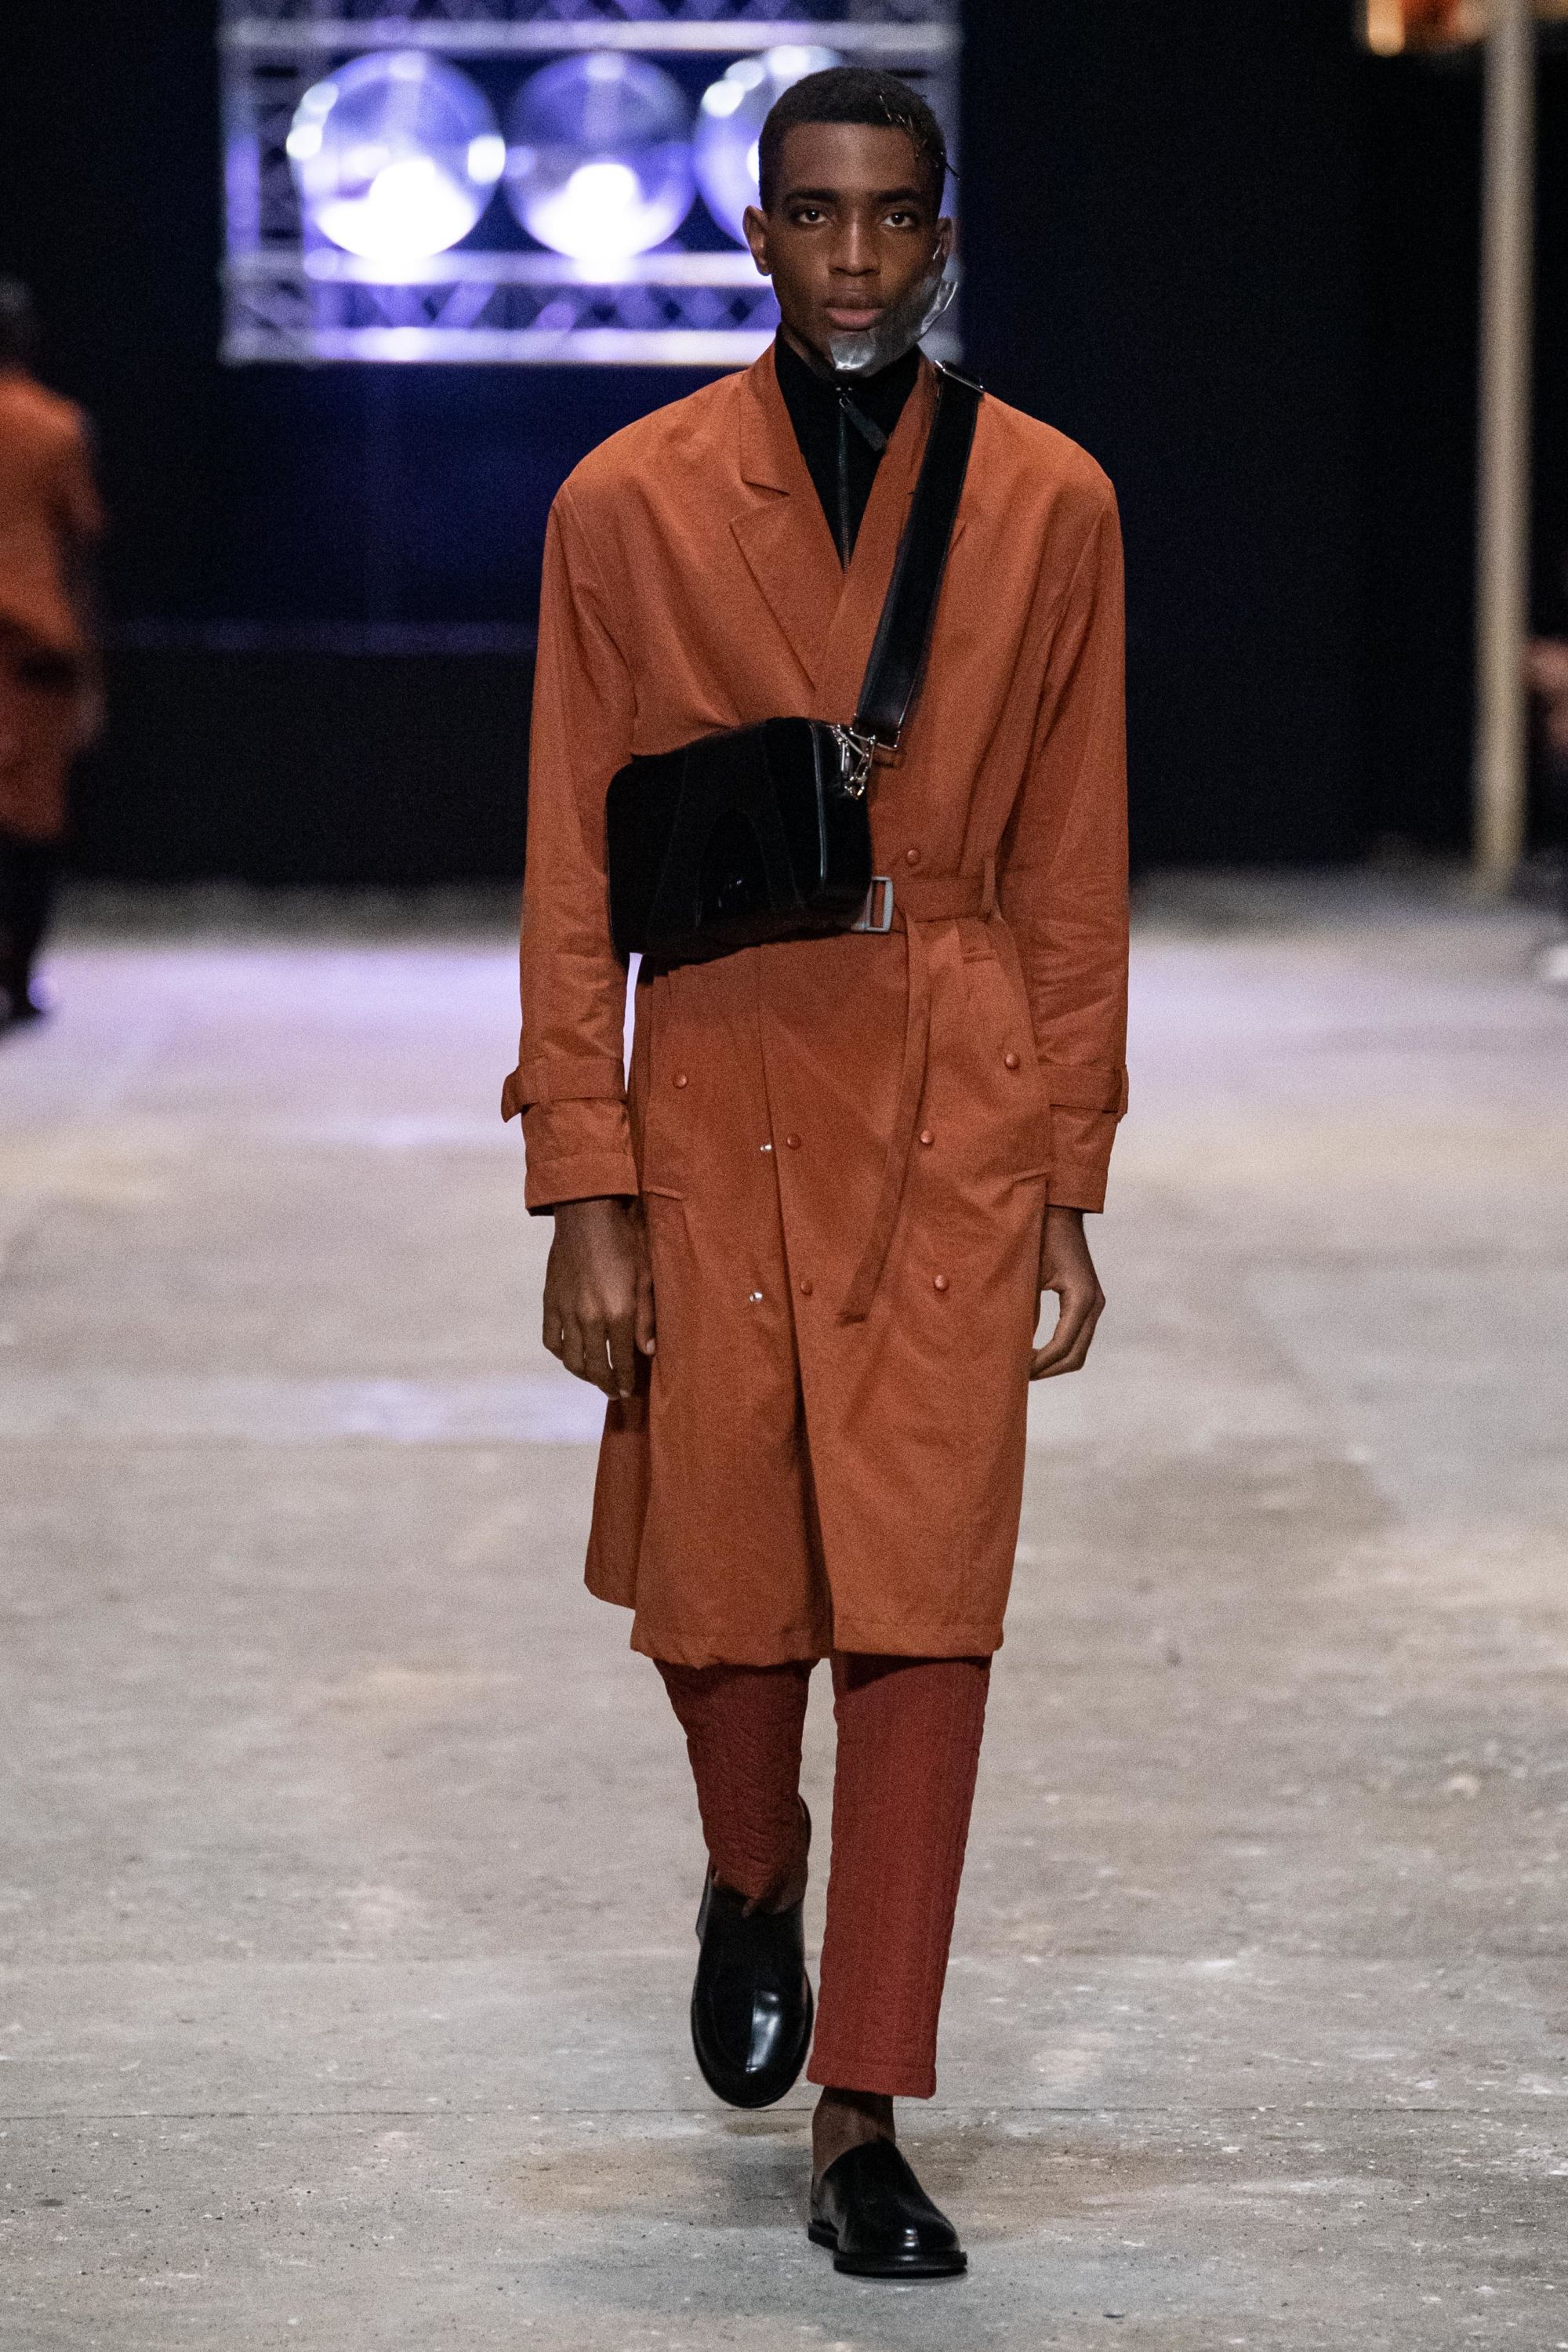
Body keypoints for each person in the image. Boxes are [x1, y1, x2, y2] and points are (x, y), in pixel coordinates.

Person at [504, 67, 1128, 2279]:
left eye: (891, 218)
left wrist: (1069, 1172)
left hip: (951, 1072)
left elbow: (1072, 858)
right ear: (753, 232)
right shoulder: (627, 501)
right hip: (721, 1071)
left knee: (929, 1601)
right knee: (723, 1573)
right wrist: (582, 1175)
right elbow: (568, 861)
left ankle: (863, 2106)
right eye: (815, 216)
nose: (854, 258)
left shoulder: (1048, 500)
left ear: (941, 235)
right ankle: (751, 1861)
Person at [0, 280, 104, 1029]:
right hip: (35, 649)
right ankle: (17, 976)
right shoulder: (58, 427)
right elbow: (79, 556)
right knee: (33, 817)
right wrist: (95, 678)